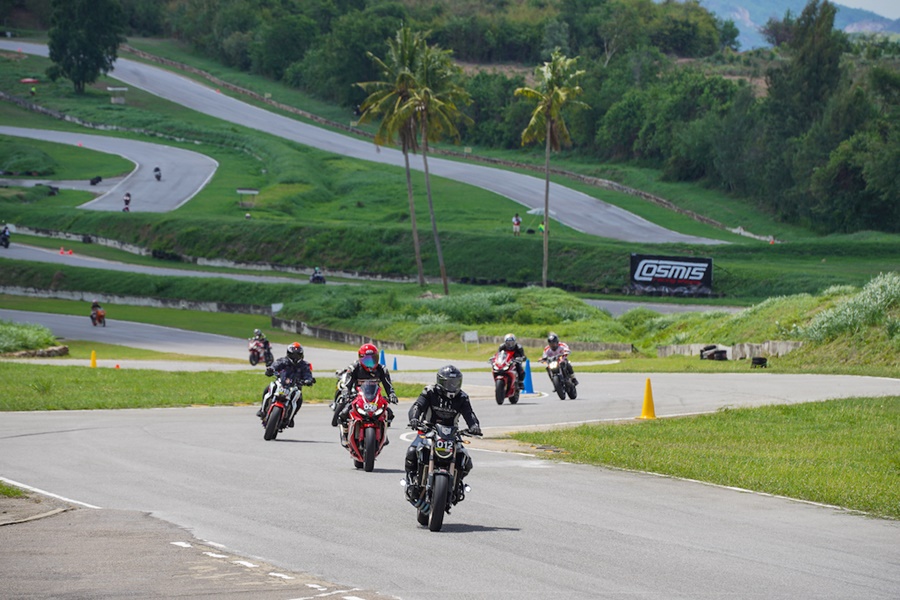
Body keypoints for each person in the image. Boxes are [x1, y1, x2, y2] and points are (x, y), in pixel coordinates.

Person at [404, 365, 482, 504]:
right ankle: (411, 481)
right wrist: (414, 419)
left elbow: (469, 414)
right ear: (440, 382)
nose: (453, 386)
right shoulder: (430, 391)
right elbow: (417, 406)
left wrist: (474, 426)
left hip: (452, 433)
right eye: (449, 383)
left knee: (466, 461)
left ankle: (457, 485)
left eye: (455, 383)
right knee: (412, 451)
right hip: (428, 429)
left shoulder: (462, 397)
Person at [334, 343, 398, 446]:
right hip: (357, 395)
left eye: (373, 359)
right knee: (344, 413)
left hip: (375, 396)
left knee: (388, 413)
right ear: (360, 359)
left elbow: (388, 385)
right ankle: (345, 433)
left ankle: (383, 431)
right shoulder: (354, 368)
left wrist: (392, 395)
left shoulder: (382, 369)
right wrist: (346, 393)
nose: (371, 363)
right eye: (367, 360)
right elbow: (347, 384)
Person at [257, 342, 315, 427]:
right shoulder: (283, 361)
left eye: (297, 355)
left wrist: (308, 380)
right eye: (293, 355)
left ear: (301, 355)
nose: (295, 357)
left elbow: (308, 374)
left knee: (299, 399)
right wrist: (271, 369)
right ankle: (262, 409)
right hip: (281, 382)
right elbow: (275, 365)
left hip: (295, 386)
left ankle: (291, 417)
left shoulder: (304, 365)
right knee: (268, 388)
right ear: (288, 354)